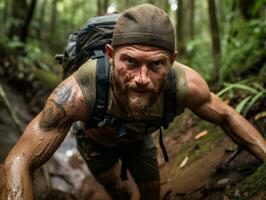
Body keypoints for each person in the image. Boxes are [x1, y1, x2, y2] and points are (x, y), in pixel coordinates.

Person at [1, 3, 266, 200]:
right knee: (117, 190)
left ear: (172, 61)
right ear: (110, 55)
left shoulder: (186, 84)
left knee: (151, 191)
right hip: (96, 143)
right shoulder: (81, 90)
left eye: (155, 65)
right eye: (130, 61)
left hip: (139, 140)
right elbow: (20, 160)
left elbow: (227, 116)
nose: (142, 78)